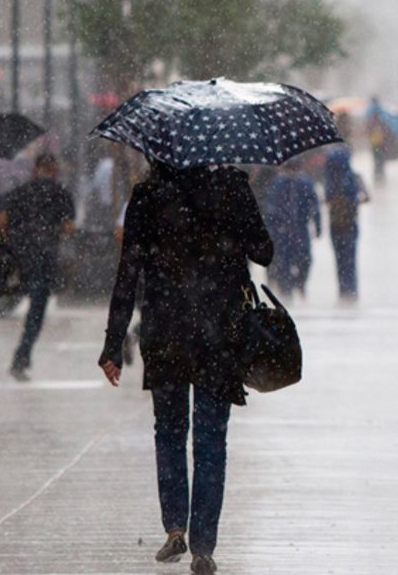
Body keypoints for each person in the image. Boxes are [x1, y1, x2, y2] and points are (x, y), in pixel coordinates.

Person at [97, 162, 272, 575]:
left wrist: (113, 341)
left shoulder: (148, 195)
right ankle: (204, 544)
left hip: (166, 328)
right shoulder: (232, 187)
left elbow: (129, 271)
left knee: (171, 430)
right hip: (219, 331)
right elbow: (264, 251)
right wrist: (239, 216)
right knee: (211, 437)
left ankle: (175, 525)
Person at [0, 153, 75, 379]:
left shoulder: (20, 192)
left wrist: (11, 239)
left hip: (21, 256)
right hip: (45, 259)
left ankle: (10, 353)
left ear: (35, 169)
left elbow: (1, 218)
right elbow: (68, 227)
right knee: (36, 311)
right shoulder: (61, 193)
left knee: (7, 298)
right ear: (54, 169)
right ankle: (21, 356)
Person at [263, 160, 321, 299]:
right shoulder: (278, 183)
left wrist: (318, 225)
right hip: (282, 230)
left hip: (300, 228)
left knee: (305, 259)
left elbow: (314, 205)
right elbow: (270, 207)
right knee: (283, 261)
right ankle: (286, 292)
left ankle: (299, 283)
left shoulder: (305, 183)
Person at [324, 148, 367, 301]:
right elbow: (367, 197)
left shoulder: (330, 180)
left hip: (335, 224)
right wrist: (353, 201)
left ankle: (343, 291)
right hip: (351, 223)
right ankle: (351, 291)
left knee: (339, 259)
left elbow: (326, 199)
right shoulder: (354, 177)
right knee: (350, 258)